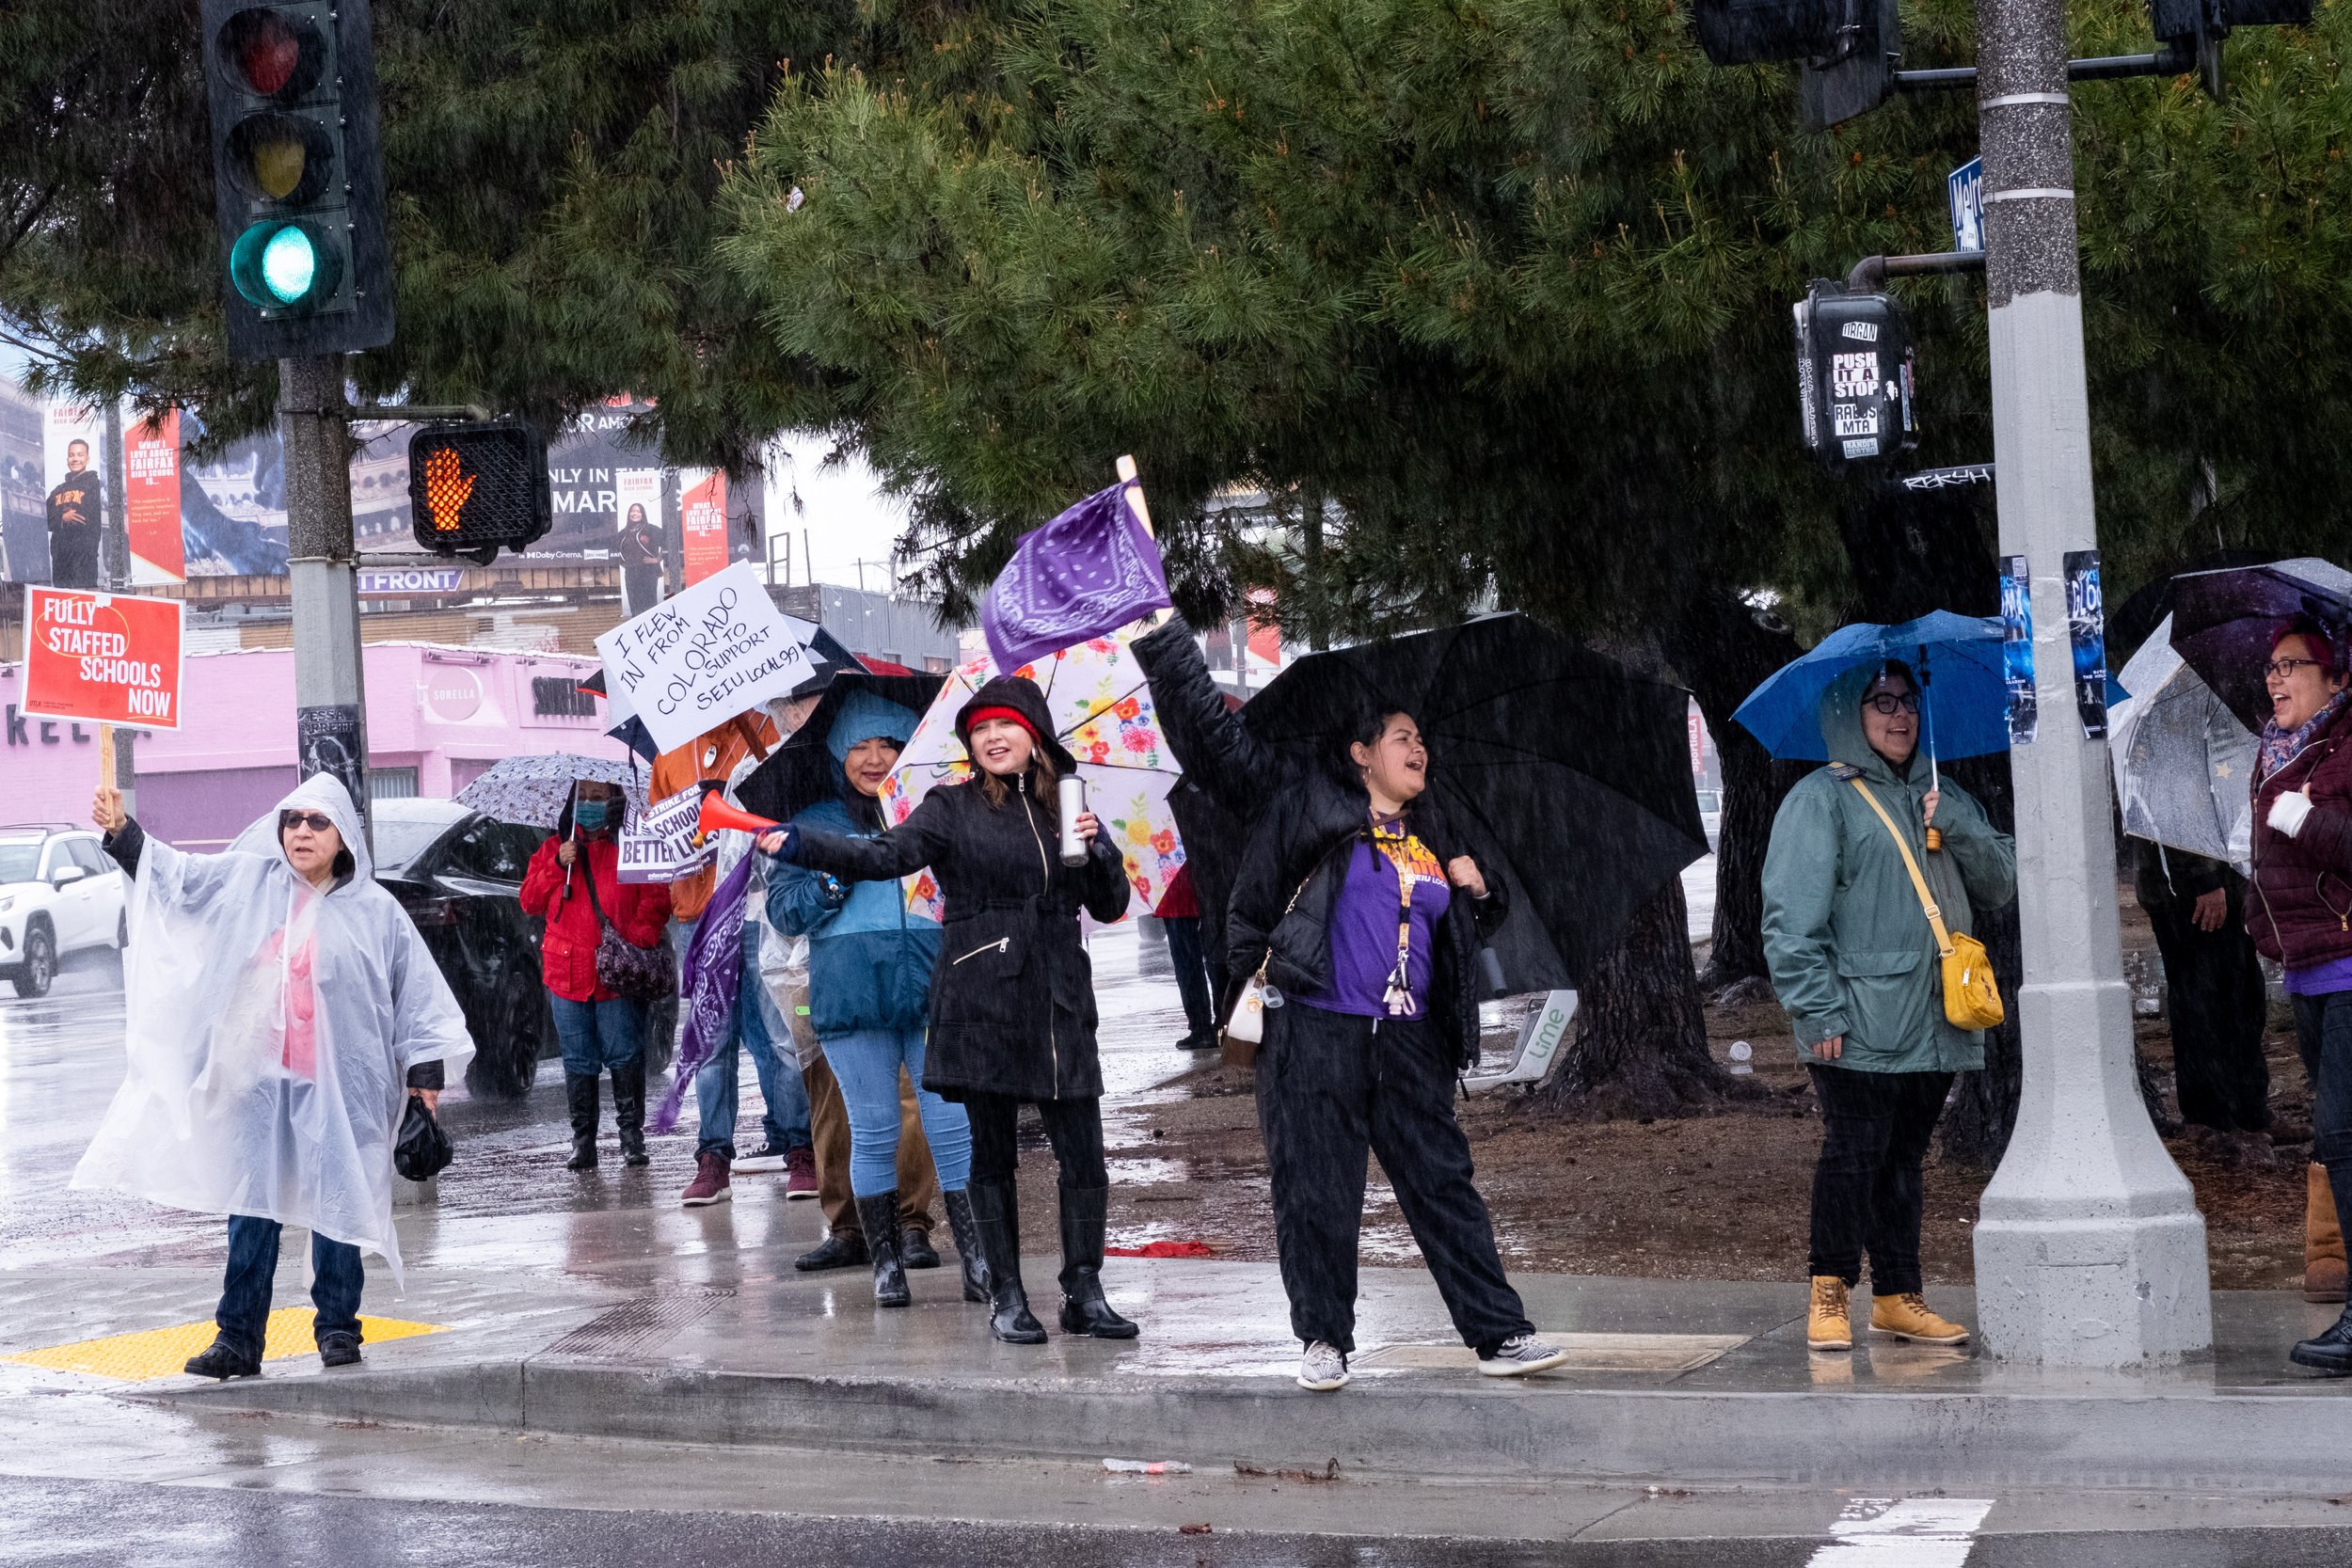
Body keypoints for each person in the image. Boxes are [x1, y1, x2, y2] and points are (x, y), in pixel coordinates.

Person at [1131, 618, 1565, 1392]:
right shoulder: (1303, 803)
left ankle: (1499, 1333)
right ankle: (1324, 1339)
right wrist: (1166, 645)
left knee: (1444, 1186)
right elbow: (1216, 748)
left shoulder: (1432, 835)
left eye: (1422, 739)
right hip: (1313, 1029)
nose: (1419, 748)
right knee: (1315, 1189)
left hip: (1409, 1045)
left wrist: (1479, 888)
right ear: (1363, 753)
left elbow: (1454, 938)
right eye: (1403, 736)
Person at [765, 675, 1136, 1343]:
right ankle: (1007, 1294)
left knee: (1085, 1156)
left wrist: (1100, 847)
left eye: (1007, 726)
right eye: (981, 729)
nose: (994, 737)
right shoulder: (949, 806)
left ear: (1036, 737)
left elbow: (1109, 903)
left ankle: (1084, 1289)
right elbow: (883, 855)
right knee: (989, 1156)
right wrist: (799, 844)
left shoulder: (1069, 809)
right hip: (980, 998)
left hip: (1059, 1000)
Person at [74, 774, 472, 1379]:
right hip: (259, 1083)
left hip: (342, 1089)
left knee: (338, 1207)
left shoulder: (376, 912)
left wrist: (424, 1087)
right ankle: (238, 1340)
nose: (302, 832)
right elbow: (179, 882)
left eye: (317, 822)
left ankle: (339, 1330)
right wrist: (123, 832)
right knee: (252, 1209)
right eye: (292, 821)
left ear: (343, 837)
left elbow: (416, 1001)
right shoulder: (251, 885)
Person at [1761, 660, 2016, 1355]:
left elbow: (1999, 884)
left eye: (1908, 700)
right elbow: (1790, 920)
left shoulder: (1943, 791)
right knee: (1854, 1153)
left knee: (1903, 1157)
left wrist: (1957, 820)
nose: (1899, 714)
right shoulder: (1822, 799)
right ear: (1851, 710)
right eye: (1881, 701)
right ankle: (1829, 1291)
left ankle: (1899, 1296)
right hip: (1855, 1017)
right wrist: (1817, 1012)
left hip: (1935, 1018)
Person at [768, 689, 985, 1307]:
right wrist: (833, 881)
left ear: (910, 749)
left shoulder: (940, 811)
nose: (873, 757)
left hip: (935, 987)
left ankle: (977, 1261)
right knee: (874, 1128)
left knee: (951, 1125)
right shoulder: (809, 824)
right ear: (839, 753)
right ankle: (885, 1265)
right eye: (859, 745)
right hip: (852, 994)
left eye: (888, 743)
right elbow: (785, 912)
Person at [650, 710, 816, 1206]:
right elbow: (662, 834)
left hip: (758, 906)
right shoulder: (669, 753)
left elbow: (790, 809)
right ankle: (713, 1158)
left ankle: (800, 1149)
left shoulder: (764, 733)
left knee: (784, 1034)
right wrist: (686, 833)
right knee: (711, 1043)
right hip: (696, 915)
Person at [2244, 620, 2352, 1371]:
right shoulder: (2276, 755)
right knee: (2338, 1140)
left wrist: (2303, 816)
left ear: (2335, 675)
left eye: (2293, 666)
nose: (2277, 680)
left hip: (2350, 965)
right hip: (2308, 969)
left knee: (2344, 1138)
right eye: (2271, 668)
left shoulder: (2345, 745)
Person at [518, 780, 671, 1170]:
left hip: (616, 975)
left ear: (613, 801)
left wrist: (632, 943)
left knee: (624, 1054)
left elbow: (656, 900)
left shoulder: (632, 846)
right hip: (566, 973)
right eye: (582, 797)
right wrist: (557, 866)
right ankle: (583, 1142)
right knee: (578, 1060)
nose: (589, 805)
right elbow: (529, 900)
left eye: (598, 798)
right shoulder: (555, 848)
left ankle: (630, 1138)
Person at [2131, 841, 2270, 1138]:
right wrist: (2205, 881)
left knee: (2243, 999)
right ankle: (2209, 1118)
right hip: (2186, 893)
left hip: (2226, 884)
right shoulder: (2170, 792)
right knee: (2202, 1003)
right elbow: (2179, 823)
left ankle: (2250, 1113)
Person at [1155, 865, 1220, 1051]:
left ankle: (1201, 1029)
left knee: (1187, 966)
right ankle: (1224, 1021)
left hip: (1175, 894)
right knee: (1216, 958)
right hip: (1205, 887)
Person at [46, 437, 101, 589]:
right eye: (71, 455)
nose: (75, 459)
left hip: (83, 558)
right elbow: (44, 516)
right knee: (63, 603)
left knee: (82, 602)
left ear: (87, 458)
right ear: (67, 459)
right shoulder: (58, 489)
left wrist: (59, 515)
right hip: (60, 558)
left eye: (80, 454)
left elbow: (82, 515)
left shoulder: (93, 484)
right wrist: (62, 517)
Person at [619, 502, 665, 616]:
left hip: (648, 572)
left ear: (643, 514)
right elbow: (616, 551)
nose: (635, 514)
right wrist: (625, 563)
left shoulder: (651, 529)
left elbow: (669, 542)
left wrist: (657, 559)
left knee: (649, 606)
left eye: (638, 511)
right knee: (635, 607)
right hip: (631, 574)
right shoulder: (623, 533)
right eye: (632, 511)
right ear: (629, 514)